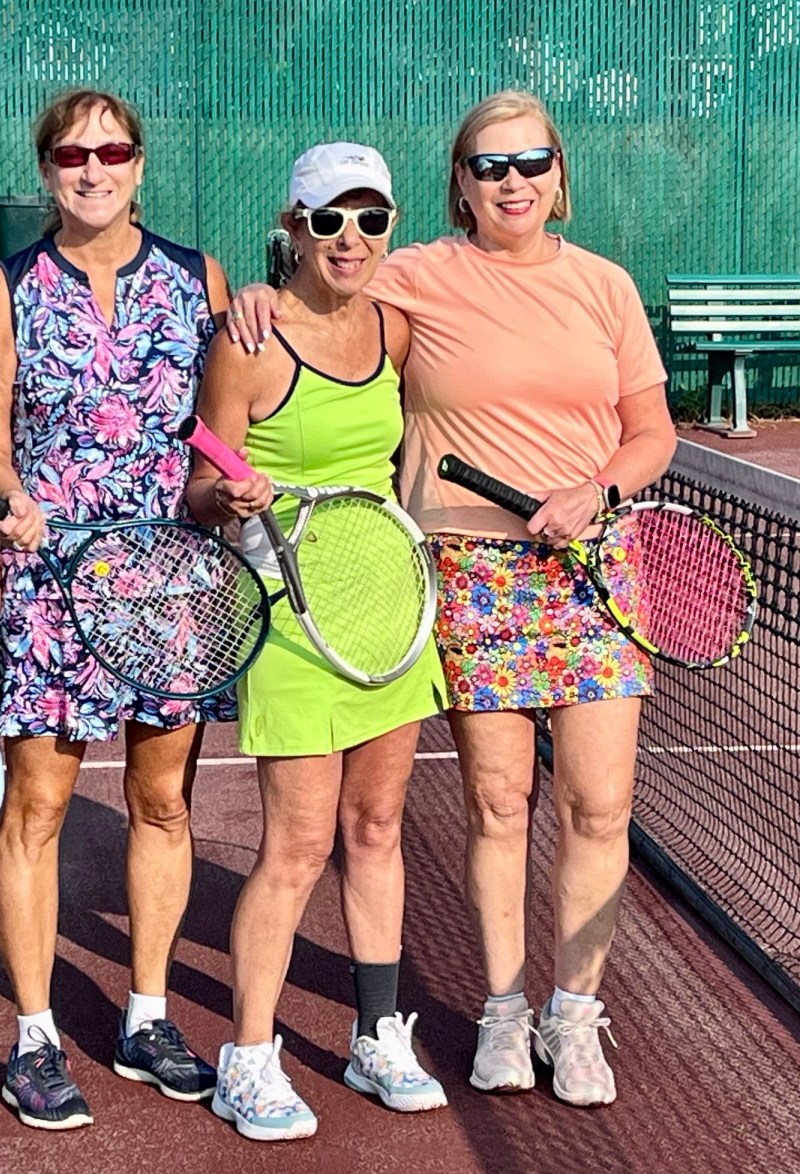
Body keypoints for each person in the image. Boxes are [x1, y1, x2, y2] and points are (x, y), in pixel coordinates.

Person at [229, 93, 677, 1108]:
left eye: (531, 162)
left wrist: (597, 489)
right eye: (489, 166)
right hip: (470, 573)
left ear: (559, 176)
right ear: (460, 187)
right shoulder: (413, 275)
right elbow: (322, 275)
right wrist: (257, 292)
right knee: (496, 804)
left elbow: (650, 432)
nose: (512, 181)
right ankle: (505, 1013)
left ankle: (575, 1014)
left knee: (599, 806)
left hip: (594, 571)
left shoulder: (605, 288)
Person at [0, 88, 234, 1130]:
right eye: (72, 153)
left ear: (139, 164)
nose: (93, 168)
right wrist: (8, 494)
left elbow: (217, 428)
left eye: (112, 151)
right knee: (36, 809)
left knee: (164, 803)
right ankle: (34, 1037)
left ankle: (147, 1018)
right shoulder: (6, 289)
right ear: (46, 168)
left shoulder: (199, 278)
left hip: (170, 580)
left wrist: (233, 480)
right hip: (52, 582)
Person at [187, 143, 448, 1143]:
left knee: (375, 828)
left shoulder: (397, 326)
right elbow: (201, 483)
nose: (350, 237)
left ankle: (376, 1035)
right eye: (329, 218)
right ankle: (248, 1059)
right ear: (293, 226)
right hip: (289, 616)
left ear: (391, 227)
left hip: (388, 603)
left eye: (370, 218)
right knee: (296, 846)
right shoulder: (248, 342)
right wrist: (229, 493)